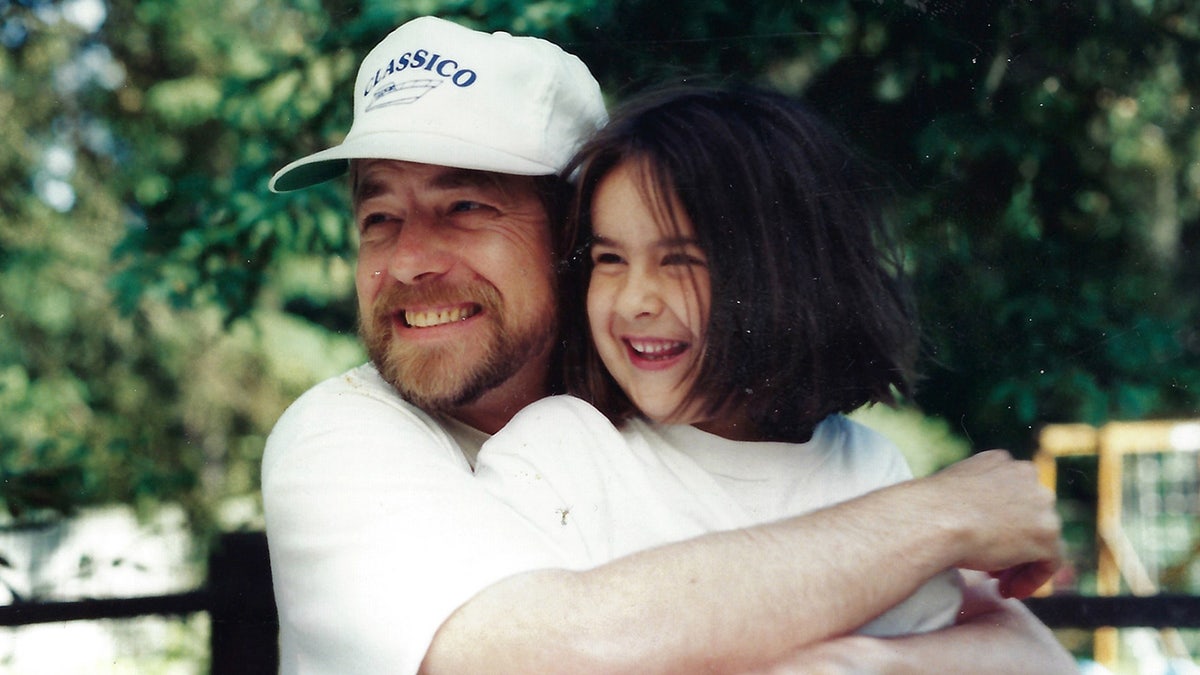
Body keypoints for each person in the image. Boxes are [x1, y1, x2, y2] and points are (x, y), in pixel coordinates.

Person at [262, 15, 1074, 675]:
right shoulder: (342, 436)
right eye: (379, 217)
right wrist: (942, 514)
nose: (407, 260)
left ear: (568, 232)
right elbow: (542, 655)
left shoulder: (693, 422)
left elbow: (1020, 648)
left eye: (466, 206)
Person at [474, 83, 963, 639]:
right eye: (610, 258)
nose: (636, 300)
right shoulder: (557, 456)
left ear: (788, 275)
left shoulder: (870, 468)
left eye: (679, 260)